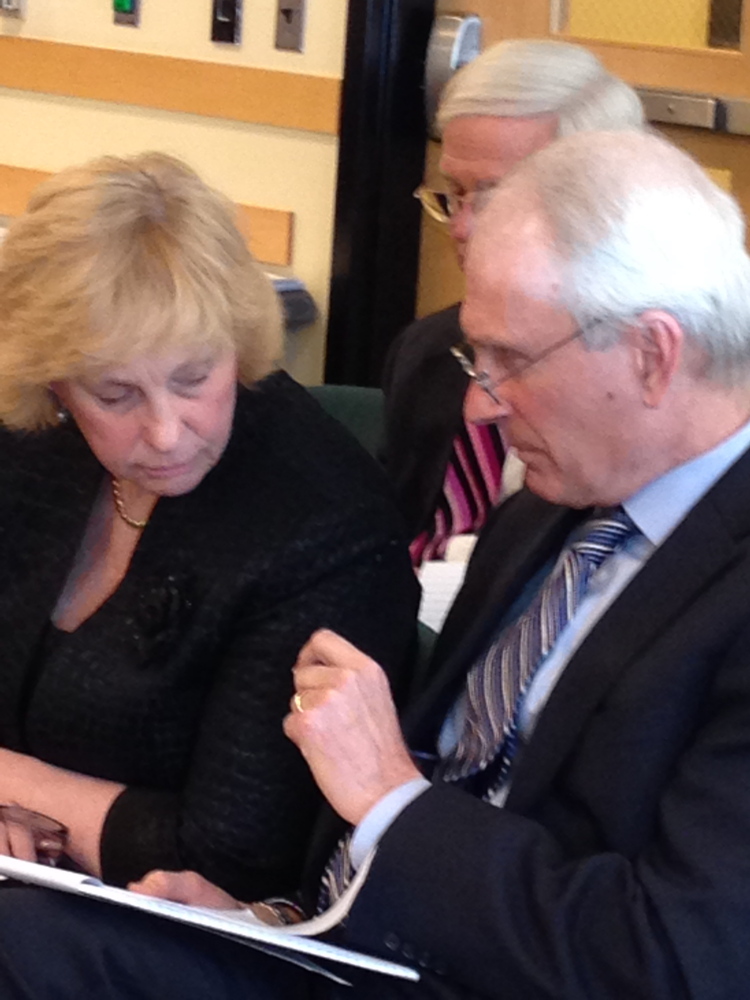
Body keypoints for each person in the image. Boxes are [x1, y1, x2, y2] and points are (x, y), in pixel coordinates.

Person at [2, 129, 750, 999]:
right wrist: (268, 919)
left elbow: (673, 961)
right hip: (353, 947)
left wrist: (394, 802)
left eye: (511, 359)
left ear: (653, 356)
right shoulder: (547, 510)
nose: (478, 400)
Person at [0, 152, 418, 902]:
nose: (165, 432)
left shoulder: (321, 522)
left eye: (195, 378)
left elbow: (228, 854)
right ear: (54, 381)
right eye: (115, 393)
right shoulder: (29, 445)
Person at [382, 38, 645, 565]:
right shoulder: (428, 352)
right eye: (455, 193)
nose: (462, 227)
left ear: (599, 199)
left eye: (494, 196)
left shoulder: (644, 388)